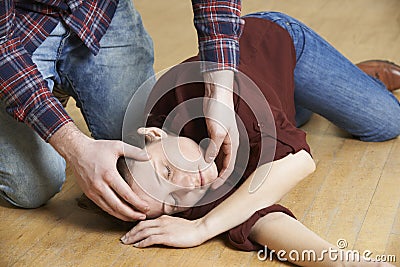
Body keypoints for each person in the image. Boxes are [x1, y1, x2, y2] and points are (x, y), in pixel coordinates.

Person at [110, 11, 399, 266]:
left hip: (272, 46)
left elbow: (299, 161)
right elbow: (263, 221)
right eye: (172, 202)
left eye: (167, 169)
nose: (186, 185)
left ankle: (352, 80)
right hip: (272, 99)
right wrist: (343, 263)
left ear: (155, 134)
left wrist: (202, 229)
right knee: (287, 119)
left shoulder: (197, 96)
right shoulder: (192, 192)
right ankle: (313, 98)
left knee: (386, 122)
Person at [0, 0, 243, 221]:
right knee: (32, 188)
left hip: (95, 10)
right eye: (167, 173)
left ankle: (48, 91)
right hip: (15, 26)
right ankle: (40, 91)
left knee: (128, 142)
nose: (187, 185)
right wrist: (73, 147)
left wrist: (219, 91)